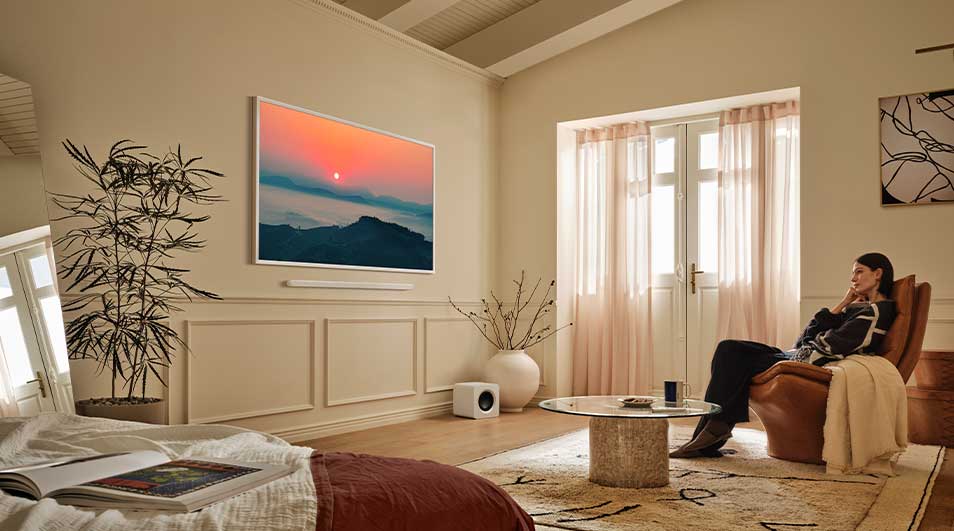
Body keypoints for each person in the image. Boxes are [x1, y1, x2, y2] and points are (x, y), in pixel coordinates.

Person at [669, 252, 897, 458]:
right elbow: (806, 335)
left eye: (859, 272)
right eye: (853, 274)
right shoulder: (856, 308)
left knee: (731, 355)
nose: (853, 279)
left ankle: (710, 434)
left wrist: (811, 341)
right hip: (795, 354)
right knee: (728, 349)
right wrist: (844, 302)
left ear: (878, 274)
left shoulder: (876, 312)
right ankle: (710, 433)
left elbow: (832, 345)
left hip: (803, 361)